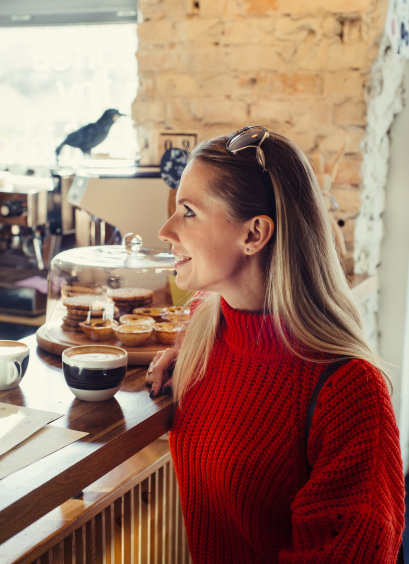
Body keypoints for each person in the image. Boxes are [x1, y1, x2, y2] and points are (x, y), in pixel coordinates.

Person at [146, 126, 405, 563]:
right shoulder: (204, 332)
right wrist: (186, 357)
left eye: (188, 211)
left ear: (254, 234)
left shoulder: (349, 392)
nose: (165, 230)